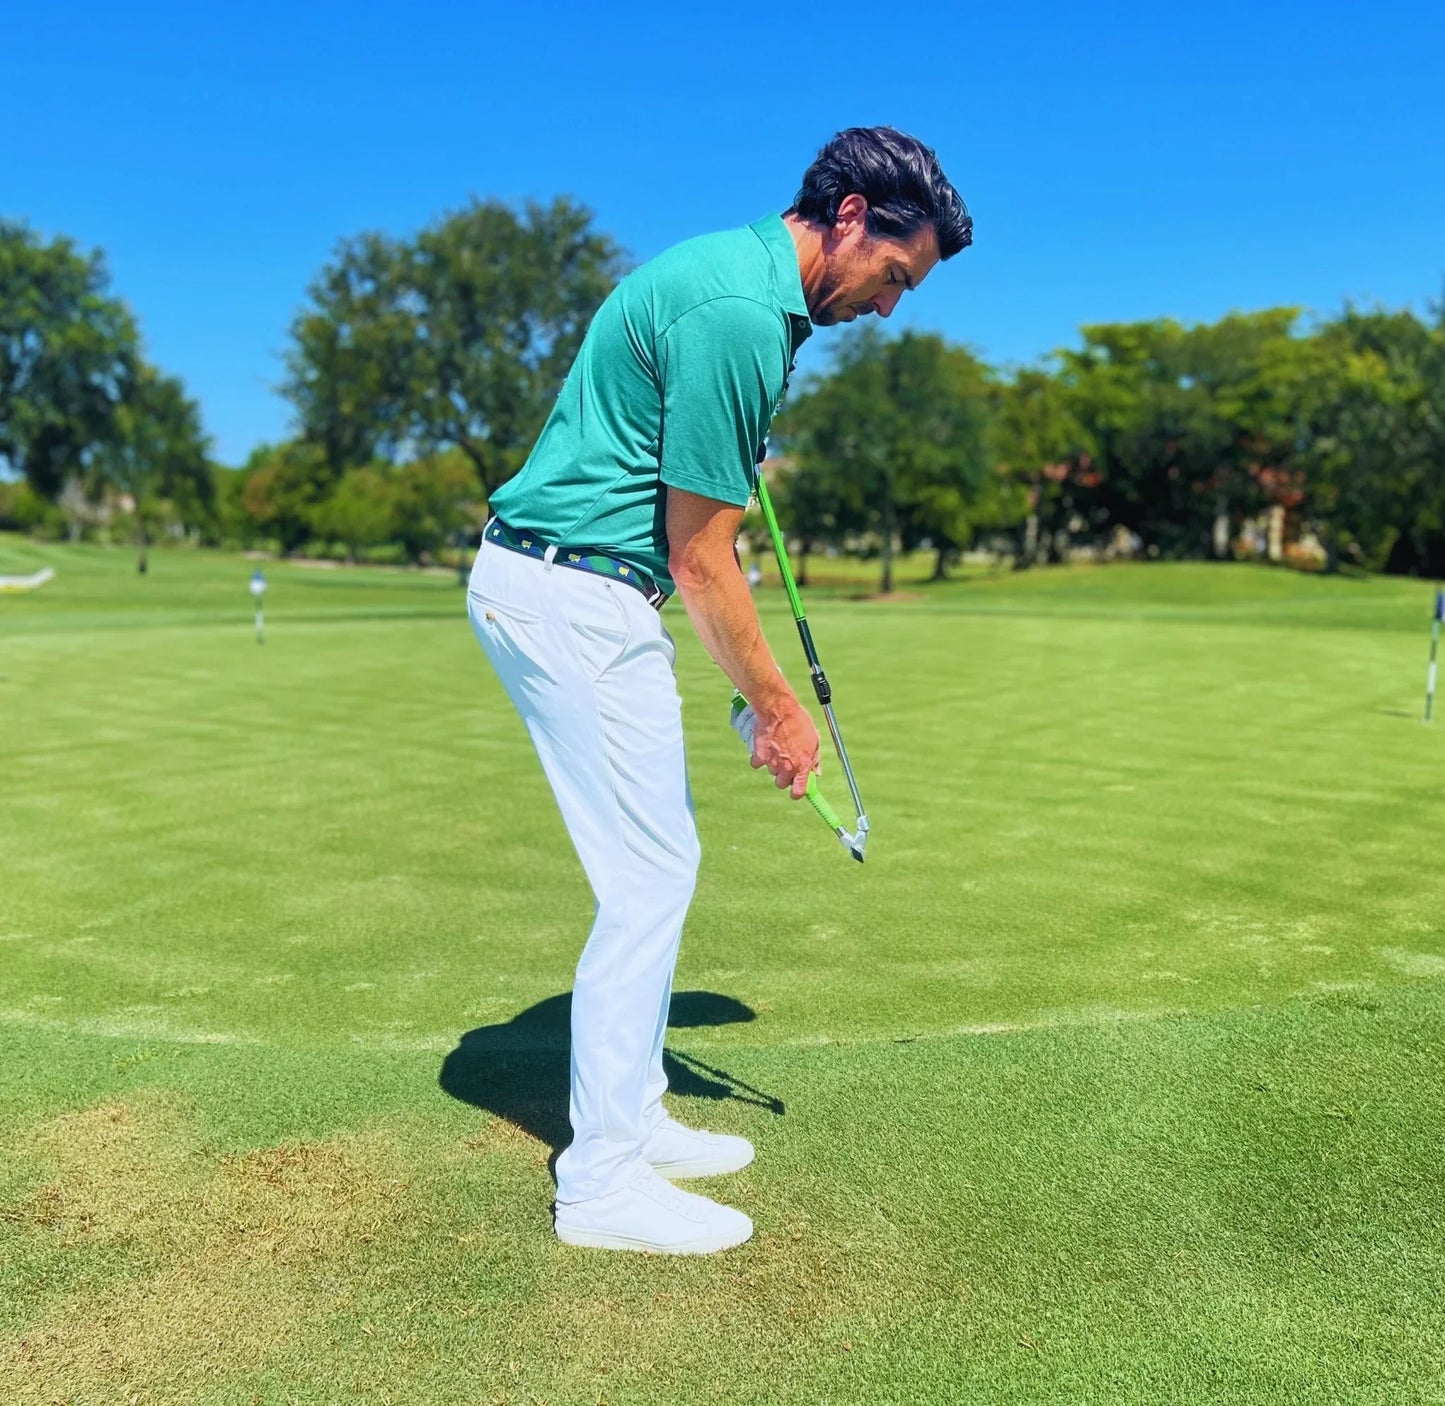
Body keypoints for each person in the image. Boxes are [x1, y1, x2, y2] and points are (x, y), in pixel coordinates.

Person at [466, 126, 971, 1255]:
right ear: (849, 219)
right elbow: (701, 555)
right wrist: (781, 710)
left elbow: (689, 538)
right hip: (568, 591)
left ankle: (632, 1119)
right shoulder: (741, 313)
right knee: (649, 875)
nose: (890, 308)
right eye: (894, 277)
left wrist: (752, 696)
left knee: (657, 864)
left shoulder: (739, 286)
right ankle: (599, 1180)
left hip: (581, 586)